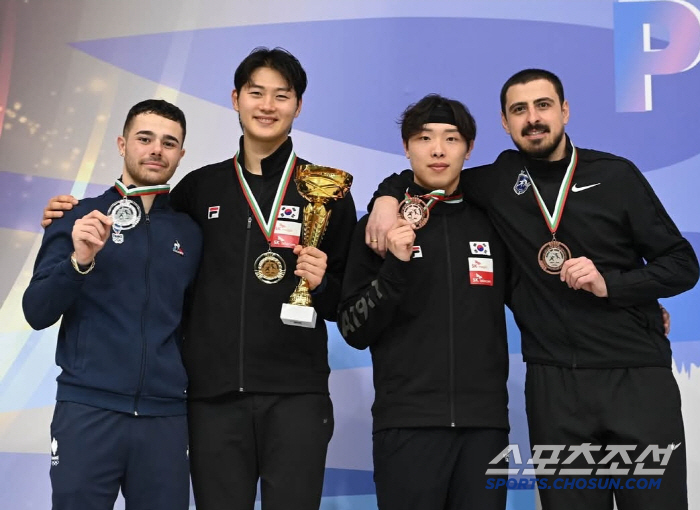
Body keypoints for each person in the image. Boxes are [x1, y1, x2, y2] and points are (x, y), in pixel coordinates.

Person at [366, 69, 698, 510]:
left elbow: (682, 265)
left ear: (564, 111)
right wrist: (386, 199)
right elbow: (431, 175)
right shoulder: (497, 181)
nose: (533, 119)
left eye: (543, 106)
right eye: (519, 110)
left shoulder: (615, 175)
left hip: (634, 377)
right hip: (555, 388)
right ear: (505, 123)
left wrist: (613, 285)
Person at [42, 47, 357, 510]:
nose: (267, 106)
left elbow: (344, 306)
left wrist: (325, 283)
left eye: (281, 95)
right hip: (211, 399)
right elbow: (144, 243)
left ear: (298, 105)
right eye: (256, 93)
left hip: (296, 396)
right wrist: (72, 214)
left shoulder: (327, 192)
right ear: (235, 99)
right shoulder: (198, 188)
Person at [23, 99, 201, 510]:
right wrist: (78, 261)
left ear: (181, 154)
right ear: (122, 144)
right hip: (88, 410)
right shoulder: (77, 217)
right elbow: (36, 312)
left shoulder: (190, 234)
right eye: (145, 138)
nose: (156, 149)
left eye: (169, 142)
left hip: (165, 418)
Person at [339, 94, 509, 510]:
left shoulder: (495, 221)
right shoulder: (378, 227)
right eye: (424, 138)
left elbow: (540, 296)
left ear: (469, 149)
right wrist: (394, 267)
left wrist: (636, 315)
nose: (437, 150)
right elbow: (352, 329)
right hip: (407, 424)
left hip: (484, 427)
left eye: (451, 139)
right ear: (406, 147)